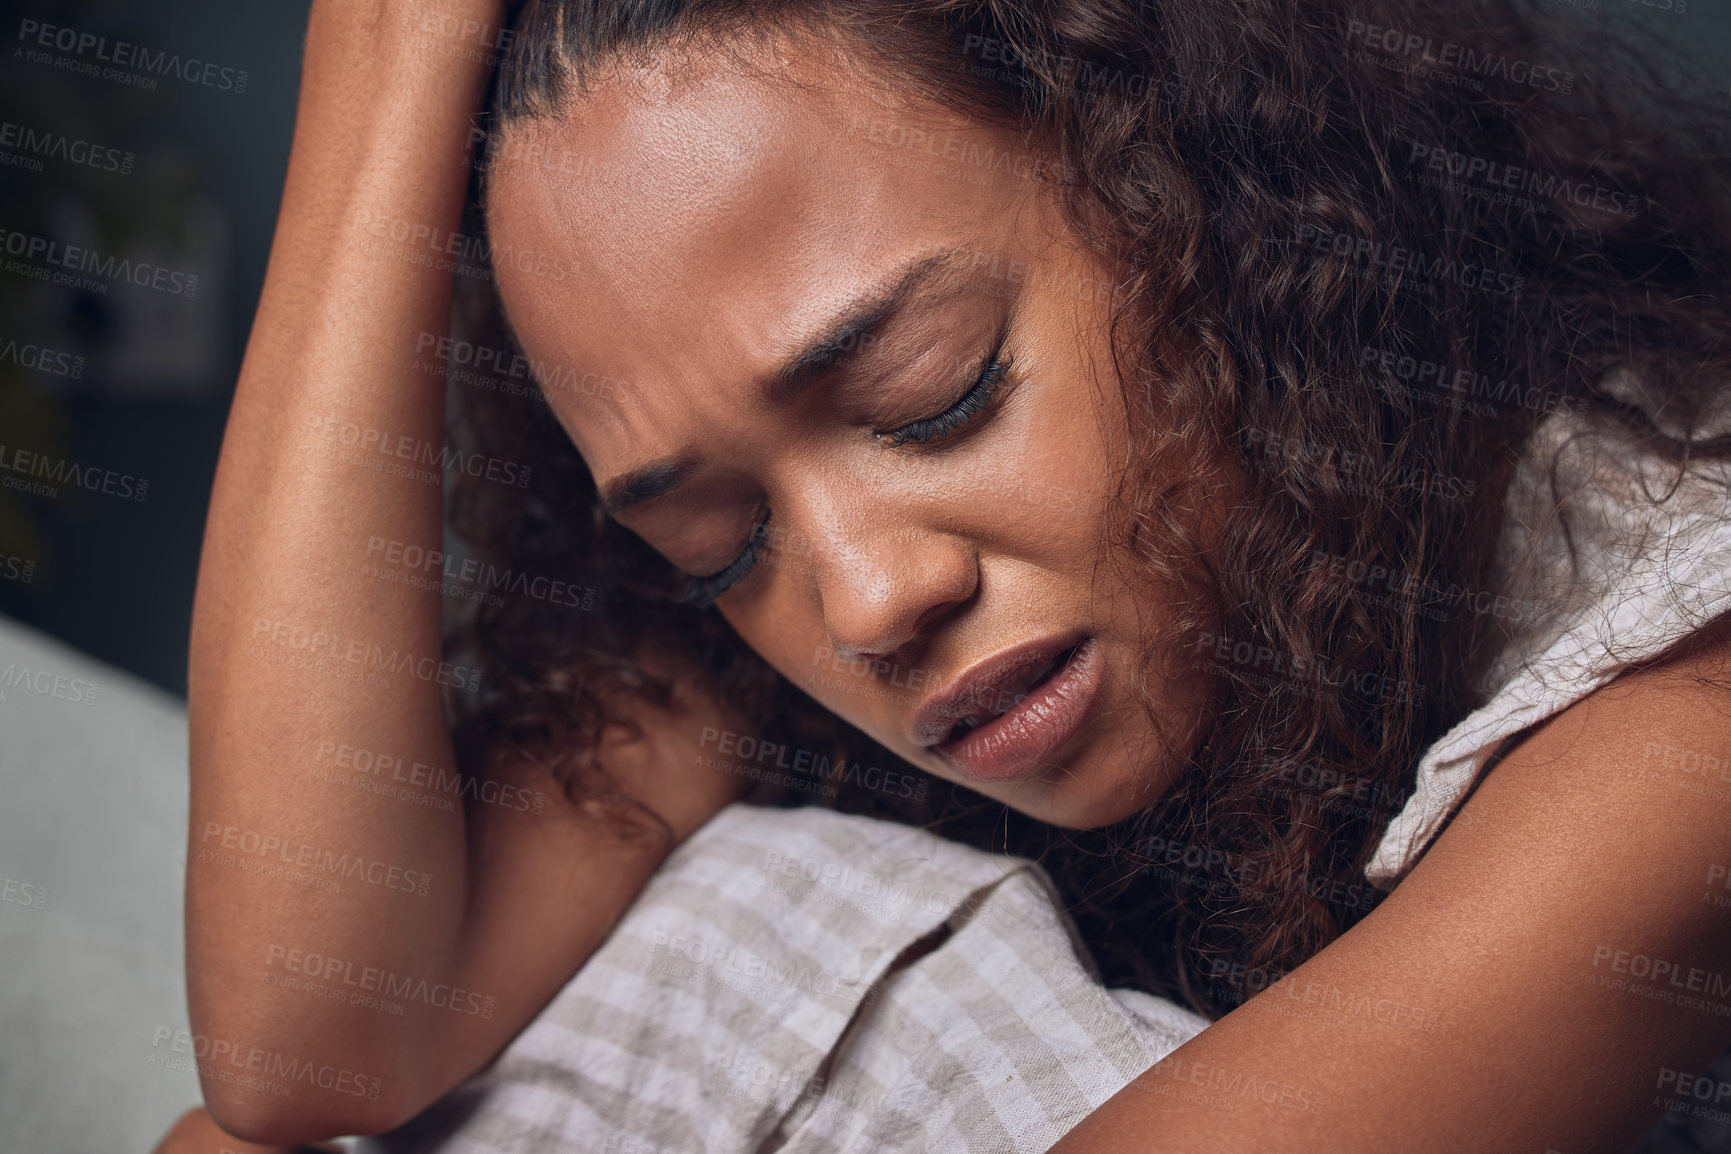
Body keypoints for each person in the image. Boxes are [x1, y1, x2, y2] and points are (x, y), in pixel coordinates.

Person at [156, 0, 1731, 1150]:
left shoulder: (1688, 699)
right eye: (721, 543)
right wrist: (378, 83)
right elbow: (310, 1034)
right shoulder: (789, 649)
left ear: (1198, 195)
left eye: (937, 395)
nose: (863, 601)